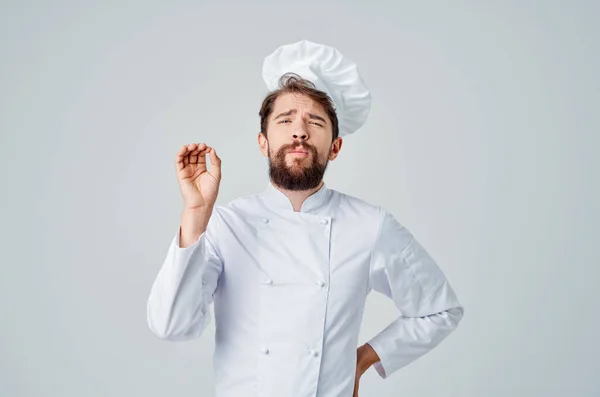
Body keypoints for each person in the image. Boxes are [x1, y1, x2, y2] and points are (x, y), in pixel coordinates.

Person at [146, 40, 464, 397]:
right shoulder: (225, 224)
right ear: (263, 142)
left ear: (335, 147)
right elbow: (172, 326)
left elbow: (441, 310)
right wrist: (195, 214)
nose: (299, 131)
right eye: (285, 120)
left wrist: (364, 359)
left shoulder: (369, 225)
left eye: (315, 122)